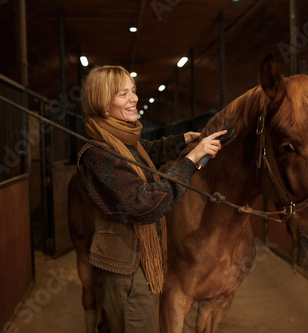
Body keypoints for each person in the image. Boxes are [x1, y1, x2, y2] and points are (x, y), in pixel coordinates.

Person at [77, 65, 226, 333]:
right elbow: (144, 205)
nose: (134, 98)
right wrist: (190, 161)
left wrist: (186, 139)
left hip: (138, 259)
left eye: (133, 91)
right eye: (123, 94)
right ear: (102, 103)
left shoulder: (124, 141)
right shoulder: (99, 153)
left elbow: (151, 149)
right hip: (124, 267)